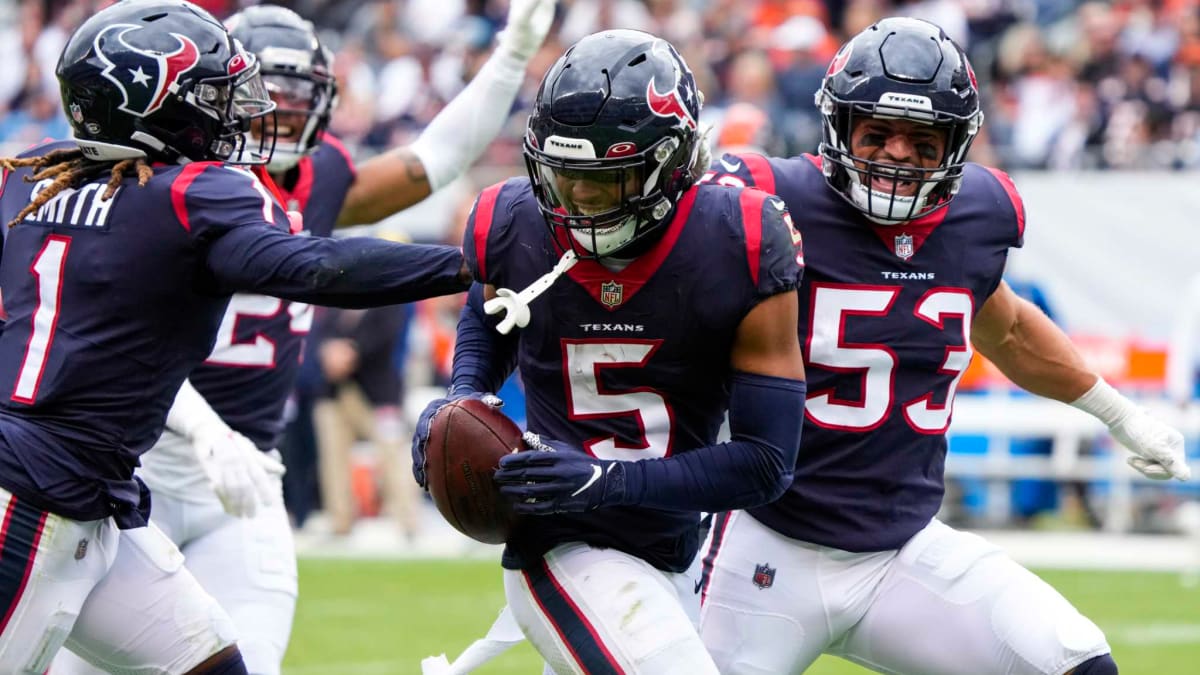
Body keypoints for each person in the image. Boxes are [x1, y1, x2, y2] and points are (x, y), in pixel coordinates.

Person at [51, 1, 557, 674]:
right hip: (138, 465)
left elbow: (430, 161)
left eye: (297, 95)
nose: (283, 113)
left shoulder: (317, 178)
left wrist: (511, 59)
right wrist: (203, 428)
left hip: (248, 479)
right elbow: (121, 340)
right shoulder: (168, 185)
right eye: (270, 94)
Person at [694, 17, 1190, 675]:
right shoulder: (771, 198)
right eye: (877, 132)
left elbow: (1007, 327)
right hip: (762, 545)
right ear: (838, 128)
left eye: (922, 140)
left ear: (956, 145)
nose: (897, 153)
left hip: (900, 551)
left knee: (1077, 662)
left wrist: (1119, 413)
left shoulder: (975, 217)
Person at [411, 29, 808, 674]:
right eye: (563, 175)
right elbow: (489, 323)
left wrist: (606, 482)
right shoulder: (514, 222)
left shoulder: (740, 239)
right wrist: (462, 400)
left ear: (673, 163)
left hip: (671, 544)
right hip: (558, 542)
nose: (580, 199)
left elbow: (766, 463)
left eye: (608, 177)